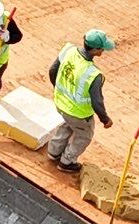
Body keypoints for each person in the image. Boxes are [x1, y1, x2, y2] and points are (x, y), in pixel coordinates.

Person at [45, 30, 114, 170]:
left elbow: (53, 70)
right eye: (102, 48)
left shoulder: (68, 51)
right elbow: (97, 102)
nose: (103, 51)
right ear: (95, 50)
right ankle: (67, 162)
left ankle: (53, 151)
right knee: (84, 135)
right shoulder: (93, 74)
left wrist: (58, 89)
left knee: (67, 125)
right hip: (79, 113)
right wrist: (105, 119)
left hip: (61, 103)